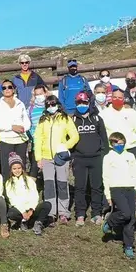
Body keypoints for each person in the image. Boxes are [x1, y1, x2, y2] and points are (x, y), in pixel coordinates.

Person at [33, 94, 77, 225]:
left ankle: (63, 212)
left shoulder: (65, 118)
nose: (51, 107)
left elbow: (74, 136)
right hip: (46, 157)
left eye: (53, 104)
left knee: (62, 184)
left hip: (61, 156)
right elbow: (38, 139)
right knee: (49, 185)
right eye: (48, 105)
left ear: (57, 104)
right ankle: (51, 213)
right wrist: (38, 158)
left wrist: (64, 147)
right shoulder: (42, 120)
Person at [71, 90, 108, 226]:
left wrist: (103, 155)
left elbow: (104, 139)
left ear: (89, 102)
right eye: (79, 102)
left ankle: (96, 213)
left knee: (96, 186)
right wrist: (73, 157)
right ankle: (80, 214)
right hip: (79, 158)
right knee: (80, 187)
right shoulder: (73, 120)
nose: (82, 104)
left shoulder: (97, 118)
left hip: (96, 158)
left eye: (84, 102)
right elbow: (69, 139)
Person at [101, 132, 136, 259]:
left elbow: (135, 174)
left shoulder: (130, 156)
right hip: (116, 189)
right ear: (112, 144)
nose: (120, 145)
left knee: (131, 219)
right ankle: (110, 222)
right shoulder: (108, 157)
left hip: (130, 189)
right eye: (117, 143)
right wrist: (108, 195)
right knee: (125, 213)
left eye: (122, 143)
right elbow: (105, 177)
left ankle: (128, 246)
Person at [101, 89, 136, 178]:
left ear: (124, 99)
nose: (117, 99)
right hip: (113, 150)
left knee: (134, 177)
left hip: (131, 149)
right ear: (111, 98)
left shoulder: (131, 112)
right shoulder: (103, 114)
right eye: (115, 97)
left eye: (120, 97)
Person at [4, 153, 49, 236]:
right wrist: (23, 212)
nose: (17, 170)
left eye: (19, 168)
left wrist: (31, 210)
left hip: (31, 208)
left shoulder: (29, 180)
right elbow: (13, 199)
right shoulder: (9, 183)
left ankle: (37, 223)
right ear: (11, 170)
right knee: (11, 213)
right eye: (14, 169)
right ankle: (23, 221)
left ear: (22, 168)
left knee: (47, 205)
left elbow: (34, 195)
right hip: (21, 209)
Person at [0, 82, 30, 175]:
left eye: (9, 87)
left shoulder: (20, 103)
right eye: (4, 88)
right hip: (6, 140)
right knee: (7, 168)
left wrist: (24, 128)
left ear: (13, 89)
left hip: (21, 140)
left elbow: (26, 120)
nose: (7, 89)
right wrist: (11, 127)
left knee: (21, 166)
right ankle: (8, 188)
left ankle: (21, 187)